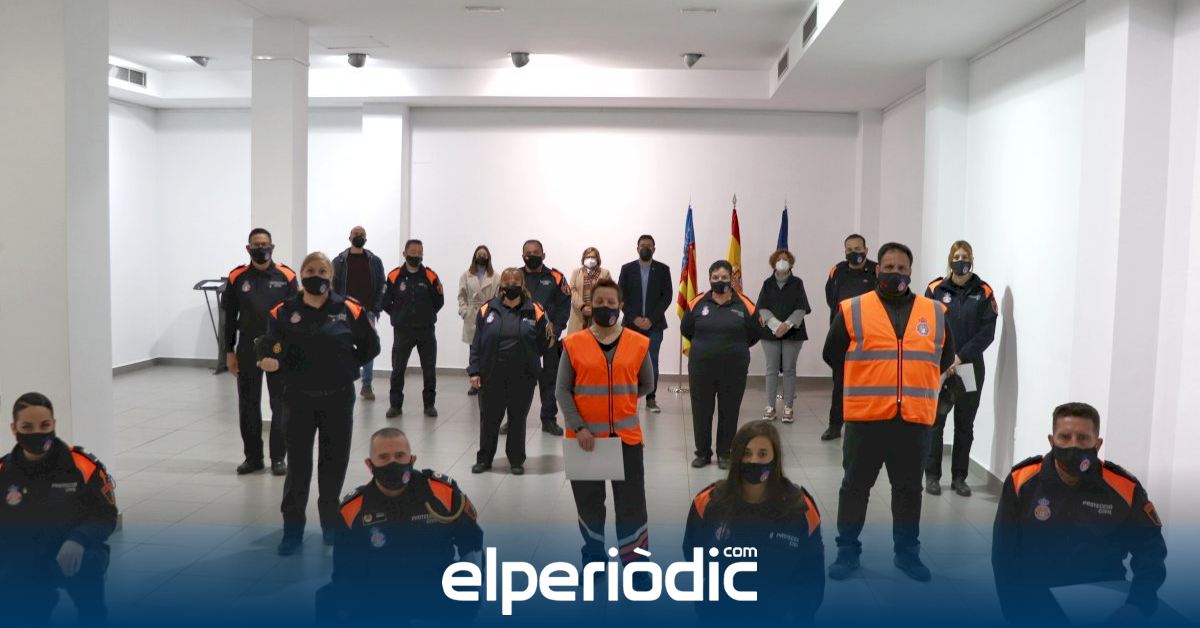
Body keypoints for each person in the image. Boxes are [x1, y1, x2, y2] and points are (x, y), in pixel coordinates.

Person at [822, 242, 954, 582]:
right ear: (877, 269)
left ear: (910, 271)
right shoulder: (853, 309)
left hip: (913, 420)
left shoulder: (934, 312)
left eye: (902, 268)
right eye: (889, 267)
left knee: (909, 491)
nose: (895, 273)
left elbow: (944, 359)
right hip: (866, 419)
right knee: (855, 489)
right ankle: (847, 553)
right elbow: (832, 354)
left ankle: (907, 555)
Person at [992, 402, 1167, 625]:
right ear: (1051, 440)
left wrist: (1138, 605)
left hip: (1103, 602)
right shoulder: (1022, 481)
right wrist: (1014, 611)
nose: (1073, 445)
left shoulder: (1124, 488)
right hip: (1036, 599)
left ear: (1098, 443)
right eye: (1065, 437)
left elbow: (1151, 550)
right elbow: (1004, 555)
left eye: (1083, 438)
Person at [259, 251, 381, 555]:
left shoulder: (349, 308)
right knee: (298, 467)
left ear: (331, 276)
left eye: (322, 271)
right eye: (310, 271)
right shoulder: (283, 312)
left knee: (333, 464)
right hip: (298, 399)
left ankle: (330, 525)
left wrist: (347, 365)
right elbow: (270, 348)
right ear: (301, 275)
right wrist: (271, 363)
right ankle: (292, 532)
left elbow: (371, 345)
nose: (317, 276)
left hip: (338, 398)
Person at [316, 428, 482, 625]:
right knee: (328, 600)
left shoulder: (442, 493)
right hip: (380, 590)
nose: (392, 463)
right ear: (369, 464)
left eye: (399, 455)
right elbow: (345, 571)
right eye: (383, 457)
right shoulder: (353, 509)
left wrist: (471, 582)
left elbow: (472, 543)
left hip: (433, 583)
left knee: (466, 590)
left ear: (412, 459)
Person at [683, 421, 824, 624]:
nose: (754, 461)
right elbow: (693, 554)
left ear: (775, 459)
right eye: (746, 453)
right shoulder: (708, 503)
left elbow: (812, 575)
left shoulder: (800, 509)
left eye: (762, 454)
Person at [558, 278, 654, 567]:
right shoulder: (573, 344)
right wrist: (579, 427)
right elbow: (562, 390)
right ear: (590, 306)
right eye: (599, 301)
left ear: (620, 305)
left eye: (611, 302)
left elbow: (647, 384)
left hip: (626, 439)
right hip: (585, 440)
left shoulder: (638, 343)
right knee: (589, 506)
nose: (605, 306)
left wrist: (620, 400)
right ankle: (594, 559)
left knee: (631, 506)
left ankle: (636, 565)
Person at [0, 393, 117, 626]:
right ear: (14, 428)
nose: (37, 433)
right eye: (27, 427)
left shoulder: (82, 465)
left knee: (91, 596)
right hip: (24, 556)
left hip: (74, 552)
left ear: (54, 424)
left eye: (44, 425)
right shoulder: (4, 471)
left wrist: (78, 539)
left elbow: (106, 515)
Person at [924, 240, 997, 497]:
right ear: (950, 260)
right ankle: (932, 476)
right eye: (956, 256)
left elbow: (987, 332)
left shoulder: (984, 291)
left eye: (965, 256)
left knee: (964, 425)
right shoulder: (935, 289)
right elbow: (925, 326)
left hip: (969, 367)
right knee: (936, 423)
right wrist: (945, 358)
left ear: (972, 259)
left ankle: (959, 478)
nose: (961, 260)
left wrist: (961, 357)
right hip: (940, 367)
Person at [223, 227, 297, 476]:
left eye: (265, 244)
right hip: (247, 349)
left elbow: (295, 317)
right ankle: (253, 458)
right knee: (248, 405)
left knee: (281, 405)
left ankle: (278, 458)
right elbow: (229, 318)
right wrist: (228, 351)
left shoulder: (287, 275)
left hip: (278, 349)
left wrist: (291, 352)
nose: (261, 248)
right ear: (248, 248)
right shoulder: (237, 277)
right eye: (256, 244)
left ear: (272, 246)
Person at [467, 268, 548, 475]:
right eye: (507, 282)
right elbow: (477, 343)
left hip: (522, 377)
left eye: (515, 282)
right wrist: (474, 371)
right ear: (501, 285)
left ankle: (516, 460)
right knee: (489, 420)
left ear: (522, 285)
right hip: (492, 375)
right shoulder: (487, 309)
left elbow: (543, 342)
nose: (511, 286)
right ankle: (485, 459)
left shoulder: (535, 310)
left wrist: (531, 363)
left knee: (517, 419)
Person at [681, 260, 761, 470]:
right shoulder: (697, 302)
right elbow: (686, 329)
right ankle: (703, 453)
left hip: (734, 369)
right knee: (701, 411)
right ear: (709, 279)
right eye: (715, 277)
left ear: (731, 279)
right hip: (701, 369)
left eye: (724, 277)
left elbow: (755, 333)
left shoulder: (745, 304)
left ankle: (725, 453)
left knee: (729, 410)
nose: (720, 281)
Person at [821, 233, 878, 441]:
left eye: (858, 249)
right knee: (840, 382)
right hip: (841, 335)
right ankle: (835, 425)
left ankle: (866, 425)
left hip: (868, 337)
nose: (854, 253)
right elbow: (831, 298)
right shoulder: (837, 271)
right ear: (845, 251)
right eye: (850, 250)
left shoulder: (877, 271)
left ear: (866, 250)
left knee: (867, 382)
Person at [512, 239, 570, 436]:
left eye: (536, 252)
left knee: (549, 382)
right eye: (528, 253)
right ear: (523, 256)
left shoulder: (556, 277)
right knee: (517, 382)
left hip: (547, 339)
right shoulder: (515, 277)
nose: (532, 256)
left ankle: (548, 420)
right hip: (520, 340)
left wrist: (556, 329)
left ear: (543, 255)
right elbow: (505, 303)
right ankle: (514, 419)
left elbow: (564, 306)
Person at [382, 239, 444, 419]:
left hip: (426, 330)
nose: (417, 256)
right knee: (398, 369)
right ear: (405, 254)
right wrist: (398, 315)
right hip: (403, 331)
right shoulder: (394, 276)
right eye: (413, 252)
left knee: (429, 370)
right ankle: (395, 405)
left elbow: (439, 301)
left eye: (420, 253)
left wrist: (426, 315)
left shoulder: (430, 276)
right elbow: (385, 301)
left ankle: (429, 405)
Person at [617, 235, 673, 413]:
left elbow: (667, 297)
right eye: (642, 245)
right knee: (629, 363)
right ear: (637, 248)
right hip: (631, 325)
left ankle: (651, 399)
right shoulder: (627, 269)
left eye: (649, 246)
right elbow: (620, 296)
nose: (645, 248)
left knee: (652, 362)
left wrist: (651, 319)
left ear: (654, 249)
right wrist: (634, 318)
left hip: (654, 326)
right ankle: (629, 399)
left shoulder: (663, 269)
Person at [755, 249, 811, 424]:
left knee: (789, 369)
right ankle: (770, 407)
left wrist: (786, 325)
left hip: (793, 332)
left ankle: (788, 407)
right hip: (770, 332)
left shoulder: (797, 283)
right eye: (778, 259)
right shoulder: (767, 283)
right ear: (773, 263)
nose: (781, 261)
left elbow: (801, 307)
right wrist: (775, 325)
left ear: (791, 263)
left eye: (785, 259)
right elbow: (762, 307)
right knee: (771, 370)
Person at [332, 225, 387, 401]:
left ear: (366, 239)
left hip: (367, 311)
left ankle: (366, 385)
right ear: (349, 238)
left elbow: (382, 285)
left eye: (362, 234)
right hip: (345, 312)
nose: (359, 236)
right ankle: (342, 380)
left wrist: (376, 308)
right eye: (356, 234)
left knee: (368, 345)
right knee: (342, 346)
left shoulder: (375, 261)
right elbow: (333, 286)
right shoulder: (339, 261)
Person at [457, 245, 499, 396]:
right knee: (473, 350)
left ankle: (488, 379)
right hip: (472, 316)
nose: (482, 257)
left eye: (484, 255)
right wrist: (464, 312)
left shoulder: (496, 276)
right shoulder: (466, 275)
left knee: (489, 349)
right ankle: (474, 382)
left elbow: (498, 296)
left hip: (489, 314)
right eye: (479, 254)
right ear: (474, 256)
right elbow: (461, 296)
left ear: (488, 257)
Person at [567, 246, 612, 334]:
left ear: (598, 259)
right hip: (579, 315)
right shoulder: (576, 272)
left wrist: (595, 308)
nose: (590, 259)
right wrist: (582, 307)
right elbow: (572, 290)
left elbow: (608, 292)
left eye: (593, 257)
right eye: (587, 257)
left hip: (598, 315)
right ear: (583, 259)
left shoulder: (605, 273)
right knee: (577, 340)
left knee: (597, 340)